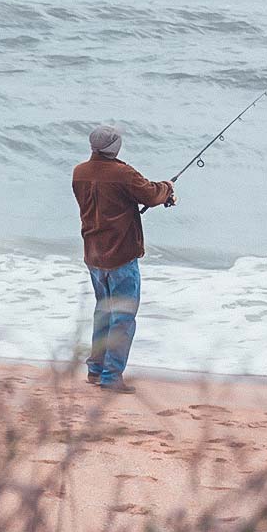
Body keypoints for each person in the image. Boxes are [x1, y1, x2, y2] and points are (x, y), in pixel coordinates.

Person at [72, 125, 175, 393]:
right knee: (123, 317)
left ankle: (95, 370)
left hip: (93, 253)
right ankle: (111, 377)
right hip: (121, 255)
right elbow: (151, 194)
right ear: (114, 148)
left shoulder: (79, 172)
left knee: (103, 313)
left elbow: (110, 202)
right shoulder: (122, 173)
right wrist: (167, 188)